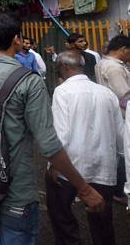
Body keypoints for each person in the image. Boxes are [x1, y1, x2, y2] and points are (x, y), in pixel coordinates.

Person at [0, 13, 104, 244]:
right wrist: (84, 188)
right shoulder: (28, 81)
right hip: (16, 188)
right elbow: (48, 144)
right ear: (17, 40)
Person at [46, 51, 122, 245]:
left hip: (70, 166)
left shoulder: (62, 91)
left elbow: (60, 132)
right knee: (102, 220)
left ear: (64, 67)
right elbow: (120, 134)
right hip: (104, 164)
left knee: (61, 214)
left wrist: (53, 164)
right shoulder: (106, 93)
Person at [96, 35, 130, 204]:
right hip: (122, 114)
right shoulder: (115, 67)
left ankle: (115, 188)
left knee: (117, 151)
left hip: (111, 112)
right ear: (123, 49)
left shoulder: (103, 62)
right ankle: (119, 190)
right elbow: (125, 95)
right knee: (124, 153)